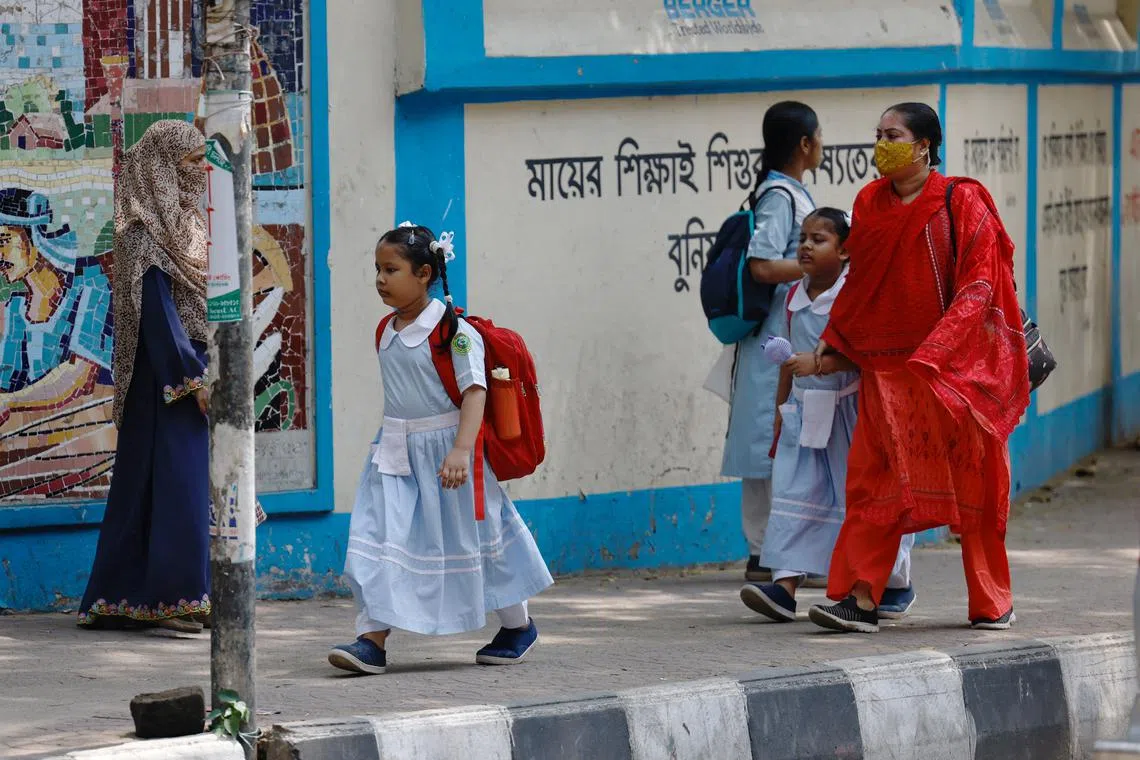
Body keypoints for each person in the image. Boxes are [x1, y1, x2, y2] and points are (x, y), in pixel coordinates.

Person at [807, 103, 1029, 634]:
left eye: (894, 135)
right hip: (887, 376)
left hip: (954, 376)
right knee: (872, 485)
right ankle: (861, 599)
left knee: (975, 485)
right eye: (878, 135)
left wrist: (940, 349)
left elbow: (981, 284)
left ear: (925, 144)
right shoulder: (868, 203)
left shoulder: (963, 200)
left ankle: (991, 600)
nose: (882, 143)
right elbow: (859, 287)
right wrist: (833, 345)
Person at [328, 224, 553, 675]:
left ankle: (518, 627)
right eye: (377, 269)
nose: (380, 278)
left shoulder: (456, 332)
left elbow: (475, 391)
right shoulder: (385, 329)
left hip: (451, 456)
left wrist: (460, 452)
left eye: (391, 269)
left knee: (483, 539)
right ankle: (371, 639)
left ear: (425, 272)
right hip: (392, 453)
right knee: (379, 535)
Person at [740, 209, 917, 623]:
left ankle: (893, 583)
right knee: (794, 493)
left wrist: (819, 365)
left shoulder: (853, 297)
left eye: (818, 239)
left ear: (844, 251)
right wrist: (783, 411)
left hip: (849, 415)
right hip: (804, 413)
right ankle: (784, 587)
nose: (805, 246)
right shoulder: (791, 297)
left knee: (855, 501)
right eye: (803, 237)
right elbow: (787, 362)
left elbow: (861, 358)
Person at [77, 120, 212, 634]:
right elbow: (155, 311)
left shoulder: (189, 226)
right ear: (160, 167)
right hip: (166, 380)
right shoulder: (141, 233)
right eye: (188, 164)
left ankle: (149, 595)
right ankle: (171, 598)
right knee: (172, 484)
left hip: (197, 372)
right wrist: (192, 380)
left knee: (182, 484)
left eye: (200, 162)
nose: (197, 173)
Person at [722, 101, 822, 585]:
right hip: (773, 341)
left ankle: (782, 551)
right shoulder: (780, 196)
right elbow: (762, 264)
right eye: (818, 136)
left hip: (786, 336)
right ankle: (764, 552)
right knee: (768, 444)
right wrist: (817, 266)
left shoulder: (791, 192)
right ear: (805, 144)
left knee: (781, 443)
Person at [0, 188, 116, 498]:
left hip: (93, 445)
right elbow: (7, 384)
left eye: (3, 241)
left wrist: (11, 403)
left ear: (35, 236)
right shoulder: (15, 309)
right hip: (37, 443)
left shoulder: (91, 286)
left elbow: (77, 378)